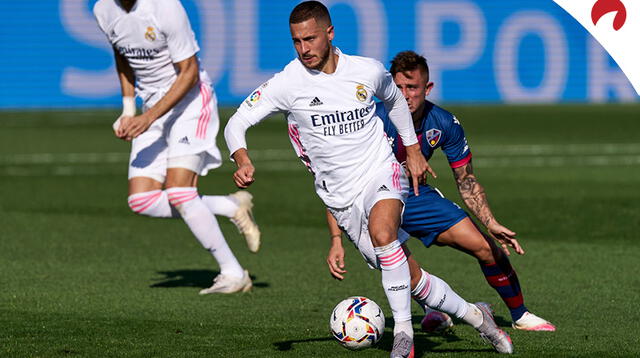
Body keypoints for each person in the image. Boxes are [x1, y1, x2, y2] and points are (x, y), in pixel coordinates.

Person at [224, 2, 512, 356]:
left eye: (310, 39)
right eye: (297, 41)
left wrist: (414, 150)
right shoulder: (287, 82)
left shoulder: (368, 70)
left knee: (383, 233)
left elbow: (393, 101)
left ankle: (403, 336)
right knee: (411, 278)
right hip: (340, 196)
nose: (304, 49)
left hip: (380, 170)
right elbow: (236, 122)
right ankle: (478, 317)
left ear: (330, 33)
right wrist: (242, 158)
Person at [328, 50, 555, 331]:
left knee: (485, 247)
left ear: (428, 88)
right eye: (398, 88)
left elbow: (466, 180)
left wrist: (490, 220)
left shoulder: (444, 122)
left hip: (417, 197)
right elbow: (337, 181)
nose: (405, 94)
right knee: (396, 262)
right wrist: (336, 238)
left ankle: (520, 315)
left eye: (412, 87)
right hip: (373, 201)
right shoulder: (370, 120)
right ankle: (432, 308)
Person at [93, 0, 260, 295]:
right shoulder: (103, 10)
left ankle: (233, 272)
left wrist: (147, 117)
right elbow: (122, 57)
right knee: (141, 200)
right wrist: (129, 109)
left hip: (190, 102)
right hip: (149, 107)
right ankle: (230, 205)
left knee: (180, 192)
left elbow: (189, 72)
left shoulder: (166, 7)